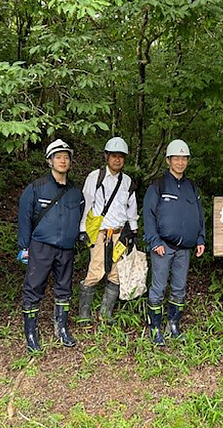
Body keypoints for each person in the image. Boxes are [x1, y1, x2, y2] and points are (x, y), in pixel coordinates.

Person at [18, 139, 85, 352]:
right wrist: (24, 247)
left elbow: (80, 216)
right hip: (41, 246)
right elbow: (24, 218)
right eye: (58, 157)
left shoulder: (76, 192)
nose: (62, 161)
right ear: (49, 161)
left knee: (64, 288)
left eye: (66, 157)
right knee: (33, 288)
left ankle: (61, 328)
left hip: (66, 248)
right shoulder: (36, 188)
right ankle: (31, 332)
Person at [142, 139, 205, 346]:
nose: (180, 162)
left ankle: (173, 325)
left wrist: (200, 238)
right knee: (158, 288)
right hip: (163, 246)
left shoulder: (191, 187)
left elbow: (199, 215)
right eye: (176, 158)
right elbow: (148, 215)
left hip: (184, 248)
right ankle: (155, 328)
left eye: (184, 158)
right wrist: (154, 241)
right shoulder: (158, 185)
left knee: (179, 288)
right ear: (168, 160)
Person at [77, 137, 138, 325]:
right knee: (96, 271)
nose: (117, 160)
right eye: (114, 156)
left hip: (120, 233)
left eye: (121, 156)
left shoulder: (127, 181)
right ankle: (84, 314)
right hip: (100, 233)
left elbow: (131, 208)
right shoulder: (95, 177)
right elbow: (86, 204)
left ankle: (105, 314)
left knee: (116, 274)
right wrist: (82, 229)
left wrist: (133, 231)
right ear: (106, 156)